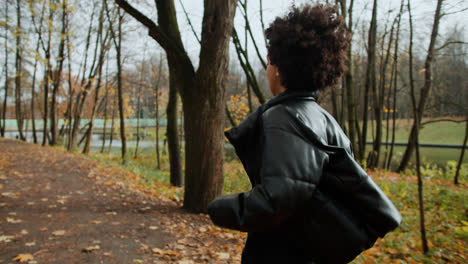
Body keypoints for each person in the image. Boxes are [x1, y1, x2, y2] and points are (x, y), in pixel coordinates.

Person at [208, 4, 401, 264]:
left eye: (268, 62)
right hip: (310, 250)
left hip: (285, 254)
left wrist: (219, 208)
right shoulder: (322, 118)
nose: (267, 70)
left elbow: (280, 197)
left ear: (279, 68)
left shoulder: (285, 116)